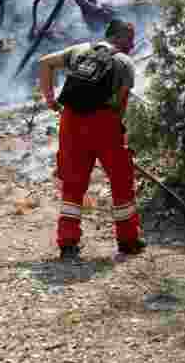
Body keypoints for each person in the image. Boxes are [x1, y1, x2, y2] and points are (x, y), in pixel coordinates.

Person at [38, 19, 146, 261]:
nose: (131, 44)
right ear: (117, 37)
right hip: (103, 122)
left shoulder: (80, 50)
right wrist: (116, 134)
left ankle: (67, 243)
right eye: (129, 38)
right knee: (120, 180)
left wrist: (50, 100)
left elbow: (44, 63)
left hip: (70, 120)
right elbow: (120, 104)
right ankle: (128, 241)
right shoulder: (125, 62)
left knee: (73, 183)